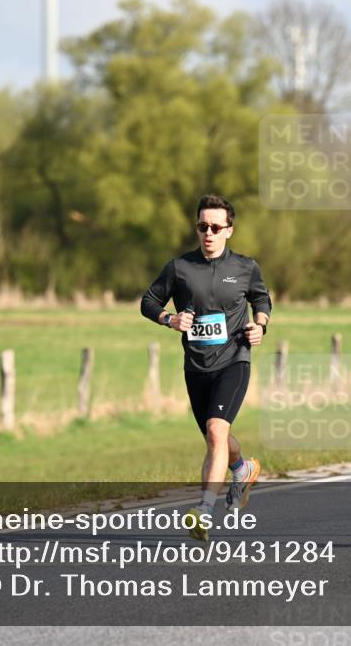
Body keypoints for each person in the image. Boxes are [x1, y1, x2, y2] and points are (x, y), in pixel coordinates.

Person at [141, 195, 271, 541]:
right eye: (202, 227)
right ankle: (242, 469)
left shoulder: (245, 267)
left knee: (216, 431)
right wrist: (169, 318)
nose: (208, 233)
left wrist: (260, 325)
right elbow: (148, 301)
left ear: (229, 230)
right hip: (196, 366)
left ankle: (203, 510)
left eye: (215, 227)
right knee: (219, 439)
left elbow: (261, 298)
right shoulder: (179, 268)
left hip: (234, 360)